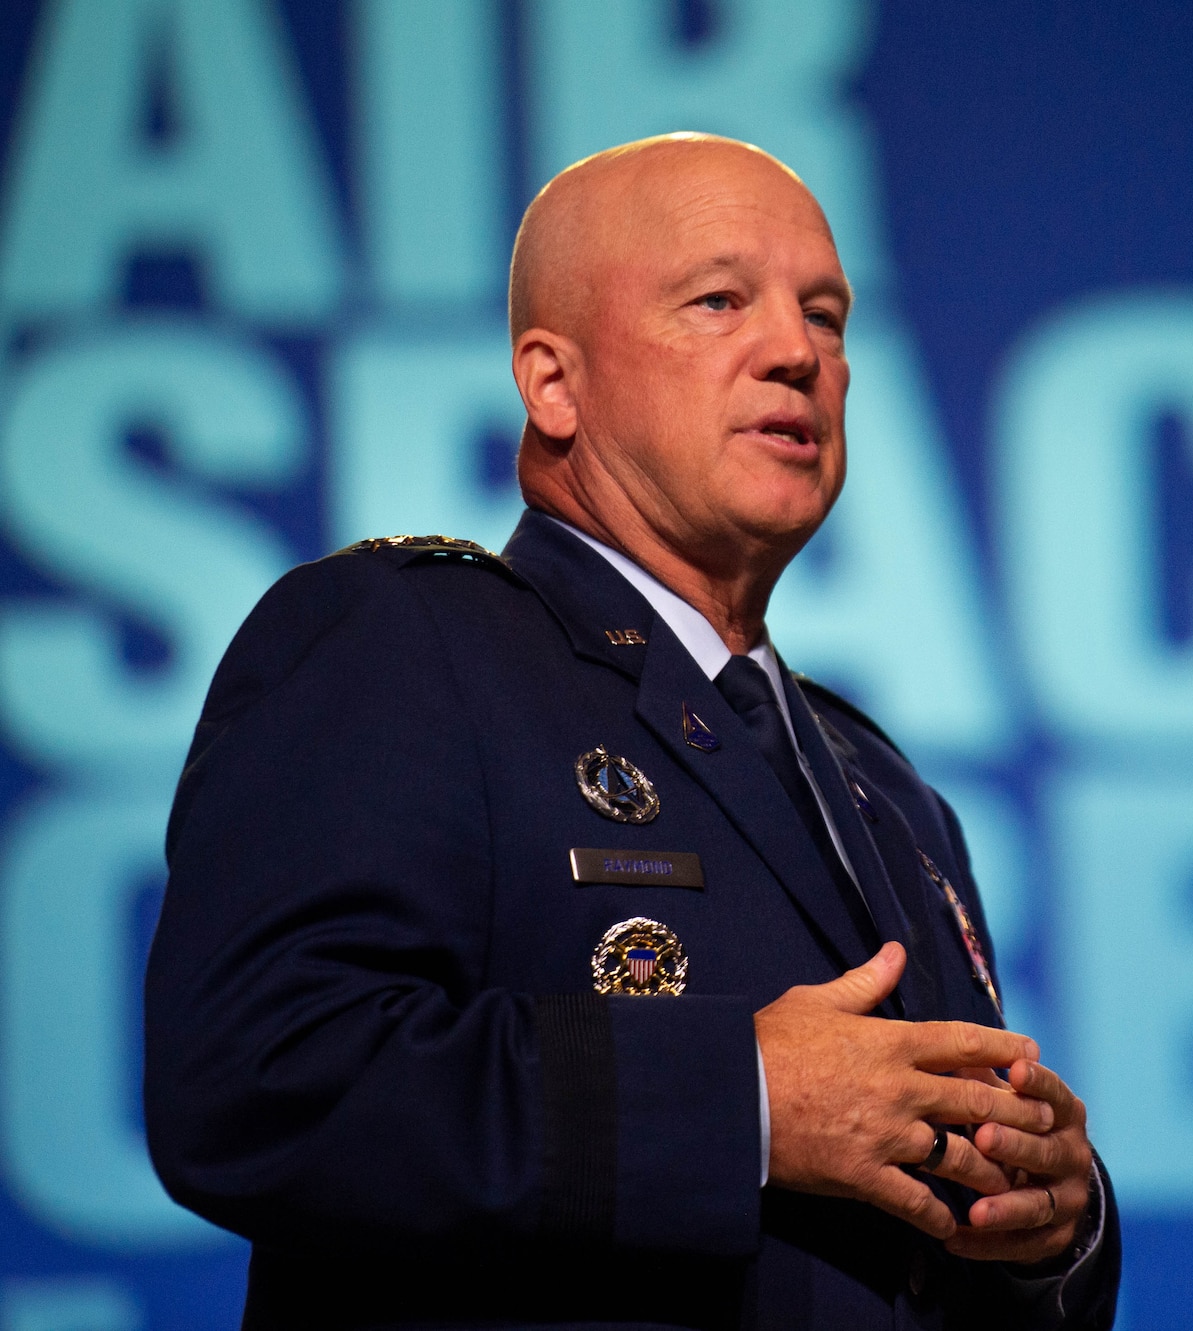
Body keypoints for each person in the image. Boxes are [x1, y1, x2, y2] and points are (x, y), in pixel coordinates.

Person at [144, 133, 1118, 1330]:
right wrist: (745, 1100)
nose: (796, 351)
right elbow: (258, 1081)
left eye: (826, 314)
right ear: (553, 383)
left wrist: (1051, 1223)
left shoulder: (883, 786)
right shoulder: (401, 644)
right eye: (719, 301)